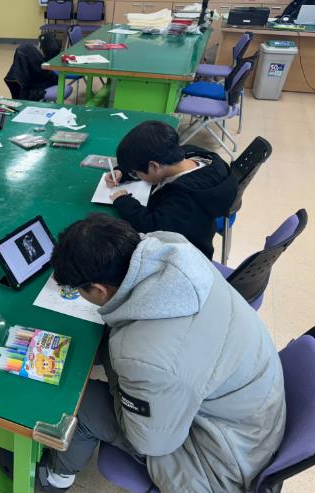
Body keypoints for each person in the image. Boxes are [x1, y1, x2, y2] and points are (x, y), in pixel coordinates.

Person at [38, 213, 285, 492]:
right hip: (254, 413)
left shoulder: (143, 357)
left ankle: (55, 478)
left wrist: (119, 378)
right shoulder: (173, 248)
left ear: (98, 289)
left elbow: (150, 442)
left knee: (79, 404)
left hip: (219, 465)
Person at [105, 120, 238, 259]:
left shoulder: (185, 199)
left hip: (182, 256)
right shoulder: (193, 154)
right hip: (196, 225)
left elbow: (151, 227)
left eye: (135, 172)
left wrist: (123, 201)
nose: (135, 174)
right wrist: (123, 172)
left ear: (154, 166)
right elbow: (148, 165)